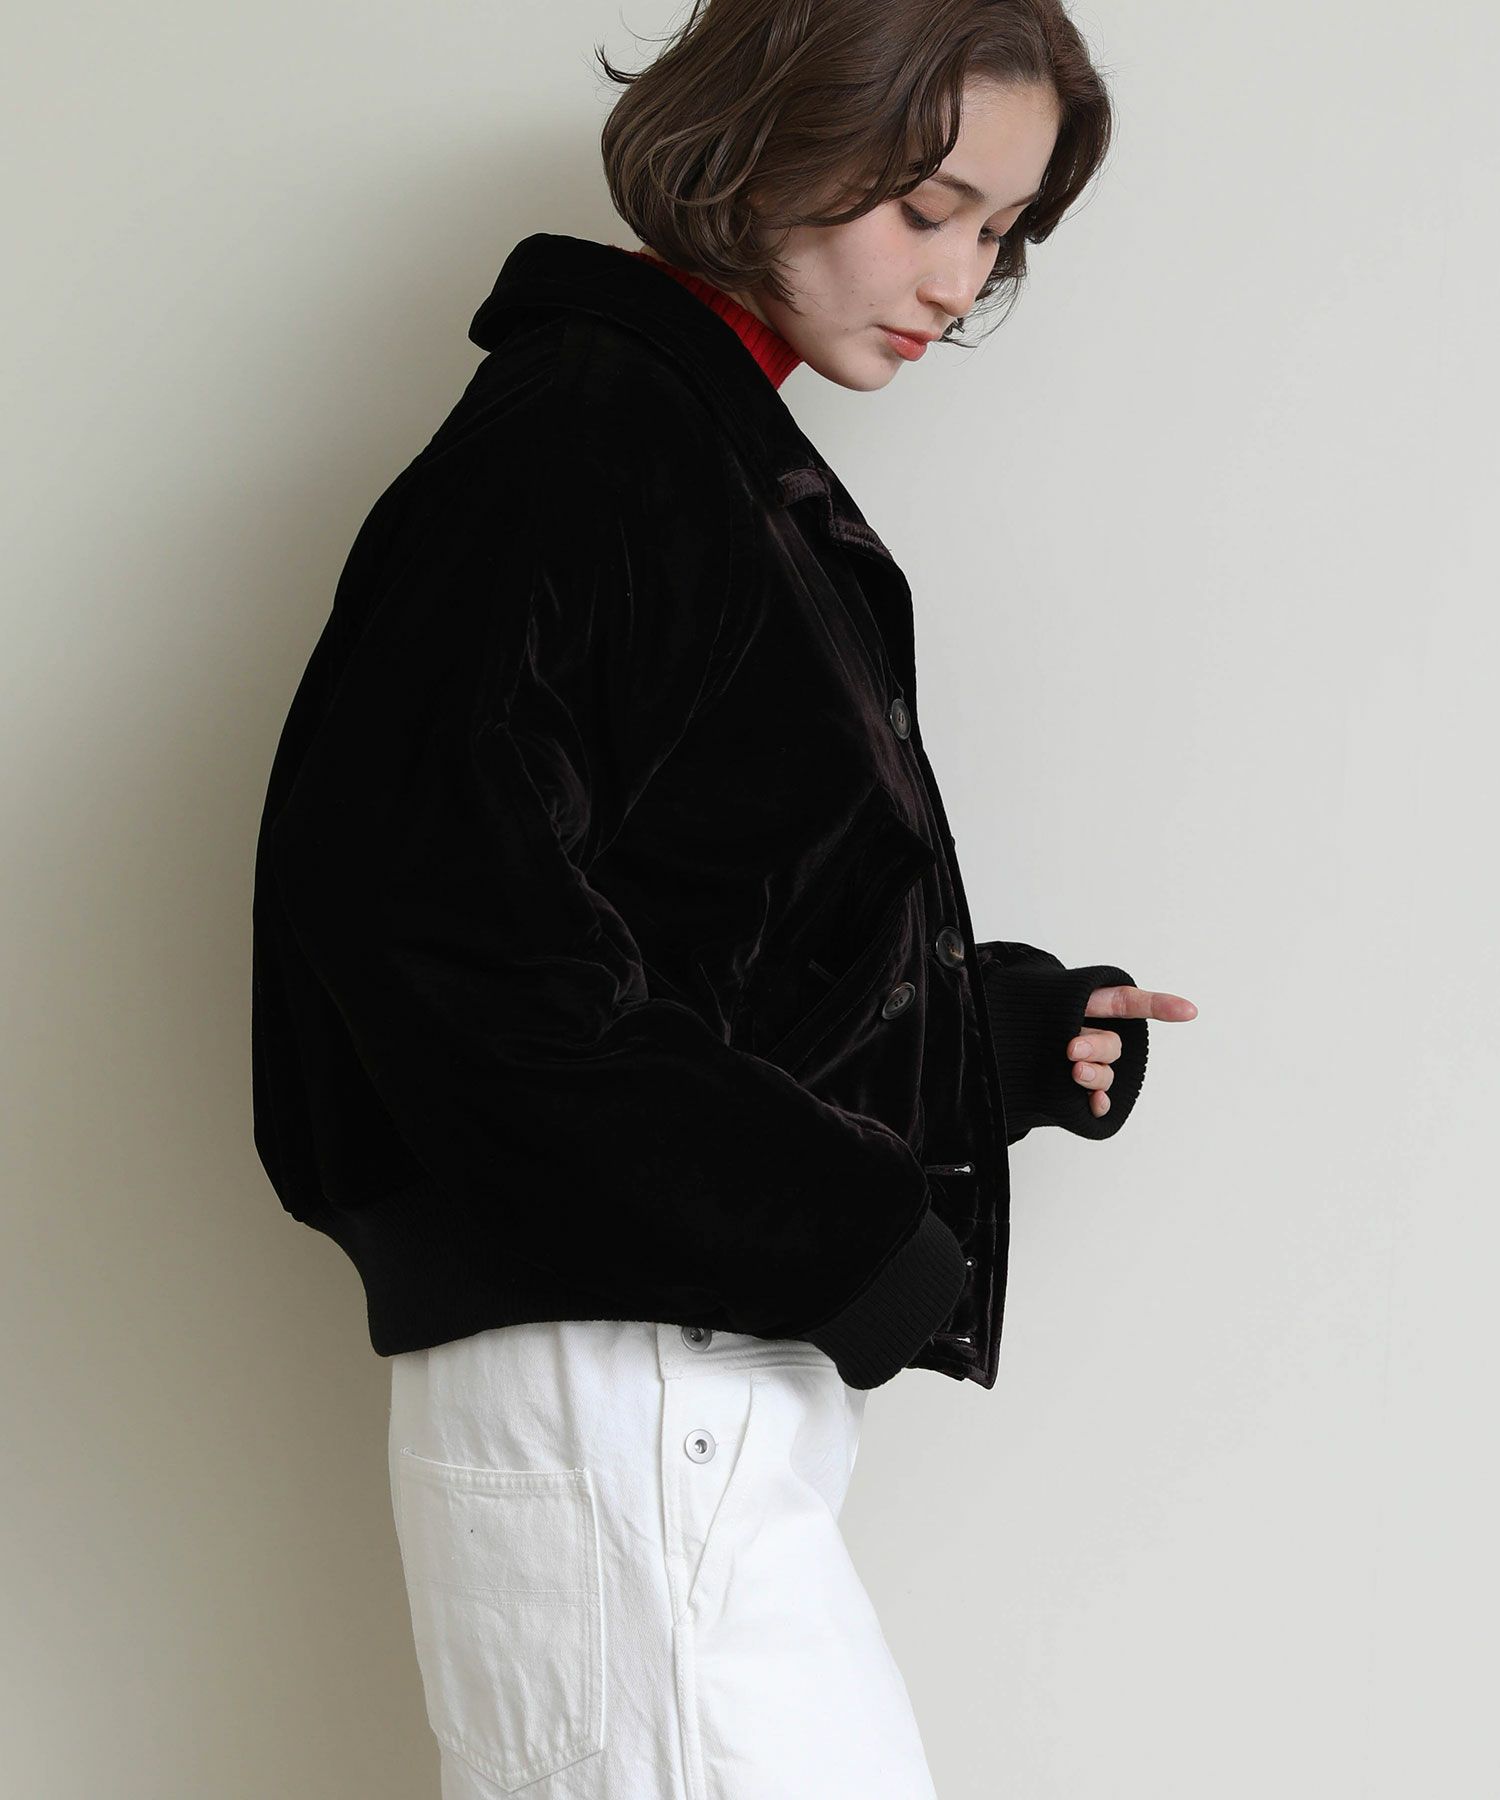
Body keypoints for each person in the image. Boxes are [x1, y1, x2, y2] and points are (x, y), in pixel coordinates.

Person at [250, 0, 1198, 1792]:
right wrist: (842, 1226)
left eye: (998, 233)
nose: (958, 281)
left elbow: (677, 922)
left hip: (673, 1380)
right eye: (925, 209)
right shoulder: (588, 442)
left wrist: (981, 1040)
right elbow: (425, 918)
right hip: (628, 1380)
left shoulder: (688, 450)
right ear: (765, 147)